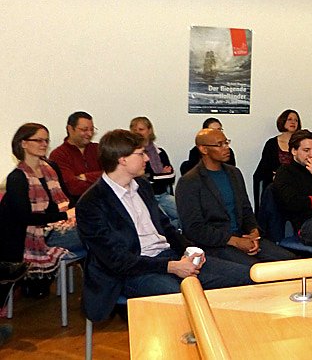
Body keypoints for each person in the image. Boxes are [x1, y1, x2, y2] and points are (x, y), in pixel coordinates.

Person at [76, 129, 250, 322]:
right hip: (132, 271)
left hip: (168, 257)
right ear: (122, 159)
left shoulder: (141, 186)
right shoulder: (91, 203)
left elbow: (166, 227)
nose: (147, 159)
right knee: (184, 297)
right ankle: (193, 337)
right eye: (141, 154)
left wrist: (189, 250)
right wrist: (171, 267)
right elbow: (116, 260)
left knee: (245, 276)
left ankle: (225, 333)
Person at [175, 128, 295, 269]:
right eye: (220, 145)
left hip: (243, 236)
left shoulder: (234, 173)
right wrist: (234, 241)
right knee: (257, 270)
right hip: (215, 244)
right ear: (203, 149)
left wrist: (253, 232)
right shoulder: (189, 182)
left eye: (226, 142)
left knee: (292, 262)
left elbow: (246, 209)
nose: (226, 148)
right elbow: (194, 228)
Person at [2, 123, 85, 297]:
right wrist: (65, 214)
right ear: (23, 143)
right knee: (95, 234)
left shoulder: (51, 168)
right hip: (36, 237)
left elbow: (65, 197)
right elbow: (26, 218)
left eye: (46, 140)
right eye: (38, 140)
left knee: (96, 228)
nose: (44, 144)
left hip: (56, 227)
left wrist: (73, 213)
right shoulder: (17, 177)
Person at [130, 117, 180, 230]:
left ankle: (175, 233)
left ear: (149, 130)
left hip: (163, 195)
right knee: (163, 220)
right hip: (146, 197)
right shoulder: (132, 154)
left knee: (186, 212)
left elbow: (171, 177)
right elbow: (143, 179)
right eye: (134, 130)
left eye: (141, 129)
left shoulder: (160, 152)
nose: (137, 133)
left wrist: (153, 176)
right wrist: (161, 174)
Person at [49, 111, 102, 206]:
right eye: (84, 130)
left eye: (92, 129)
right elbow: (73, 187)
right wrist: (103, 182)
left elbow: (115, 175)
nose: (89, 134)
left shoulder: (99, 149)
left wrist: (86, 177)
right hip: (78, 206)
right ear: (70, 129)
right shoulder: (59, 155)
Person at [253, 109, 302, 213]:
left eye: (296, 120)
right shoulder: (271, 143)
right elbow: (264, 169)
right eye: (289, 119)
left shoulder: (301, 144)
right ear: (283, 121)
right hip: (275, 187)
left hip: (296, 187)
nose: (293, 122)